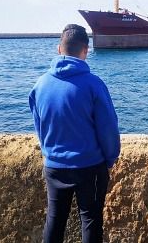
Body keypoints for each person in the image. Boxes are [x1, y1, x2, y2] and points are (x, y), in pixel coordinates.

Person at [29, 24, 120, 243]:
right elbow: (108, 129)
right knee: (90, 220)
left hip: (54, 166)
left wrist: (50, 153)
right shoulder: (94, 84)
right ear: (85, 51)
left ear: (58, 49)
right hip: (90, 167)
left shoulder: (40, 85)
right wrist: (110, 158)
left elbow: (40, 128)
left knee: (55, 218)